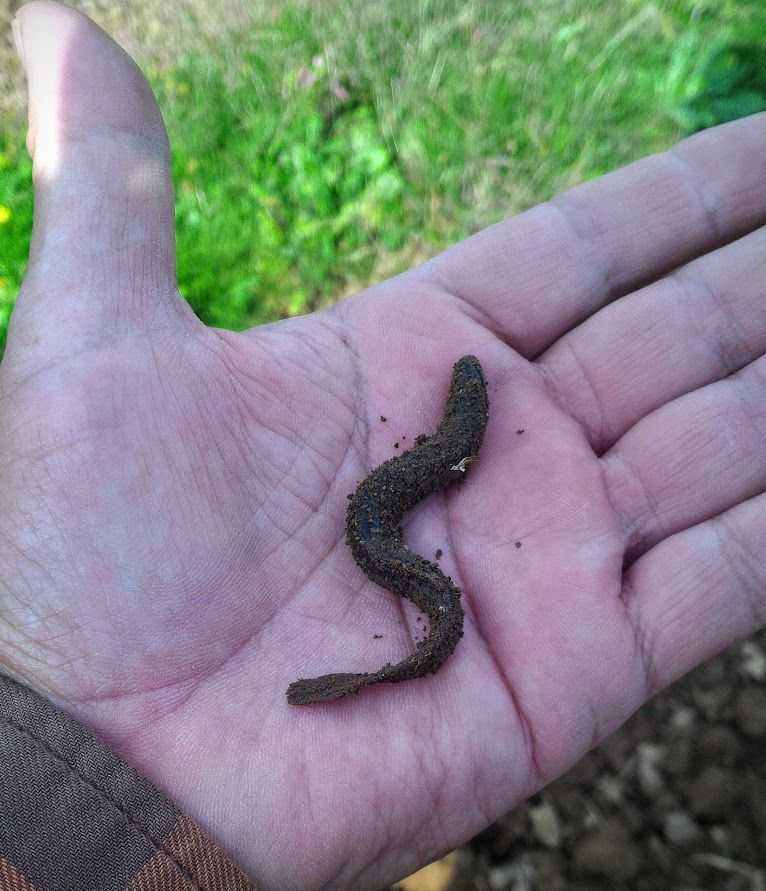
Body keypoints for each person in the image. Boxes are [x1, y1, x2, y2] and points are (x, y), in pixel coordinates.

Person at [1, 2, 764, 889]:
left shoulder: (414, 481)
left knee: (394, 521)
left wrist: (65, 799)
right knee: (396, 521)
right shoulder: (410, 488)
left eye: (464, 406)